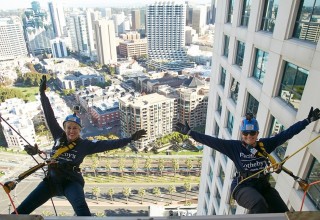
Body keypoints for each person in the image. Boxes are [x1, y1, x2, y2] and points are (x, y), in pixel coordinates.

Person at [14, 75, 147, 216]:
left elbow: (109, 144)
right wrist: (42, 95)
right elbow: (49, 116)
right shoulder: (58, 136)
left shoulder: (85, 145)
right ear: (65, 128)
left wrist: (130, 139)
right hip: (51, 181)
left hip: (71, 182)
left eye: (75, 128)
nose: (71, 131)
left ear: (79, 130)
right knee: (22, 210)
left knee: (82, 210)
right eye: (69, 127)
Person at [176, 109, 320, 213]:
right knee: (258, 203)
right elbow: (212, 142)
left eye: (252, 133)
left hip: (263, 186)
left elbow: (287, 134)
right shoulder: (234, 147)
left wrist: (307, 121)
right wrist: (190, 133)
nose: (249, 136)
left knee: (283, 212)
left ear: (257, 133)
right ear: (242, 134)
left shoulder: (265, 145)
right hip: (242, 187)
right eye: (245, 133)